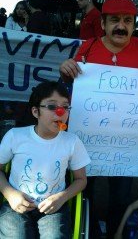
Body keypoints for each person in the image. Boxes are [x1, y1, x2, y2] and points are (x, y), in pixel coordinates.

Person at [59, 0, 138, 238]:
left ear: (134, 25)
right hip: (90, 140)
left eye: (128, 21)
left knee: (122, 194)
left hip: (127, 146)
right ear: (103, 23)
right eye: (114, 20)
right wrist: (66, 69)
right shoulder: (89, 47)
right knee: (86, 191)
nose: (121, 26)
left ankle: (116, 232)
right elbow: (72, 80)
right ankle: (90, 231)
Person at [0, 81, 90, 238]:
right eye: (52, 106)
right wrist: (10, 194)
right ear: (35, 112)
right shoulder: (15, 136)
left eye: (65, 106)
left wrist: (61, 197)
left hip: (53, 209)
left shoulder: (72, 141)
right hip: (15, 207)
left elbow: (81, 179)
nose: (61, 112)